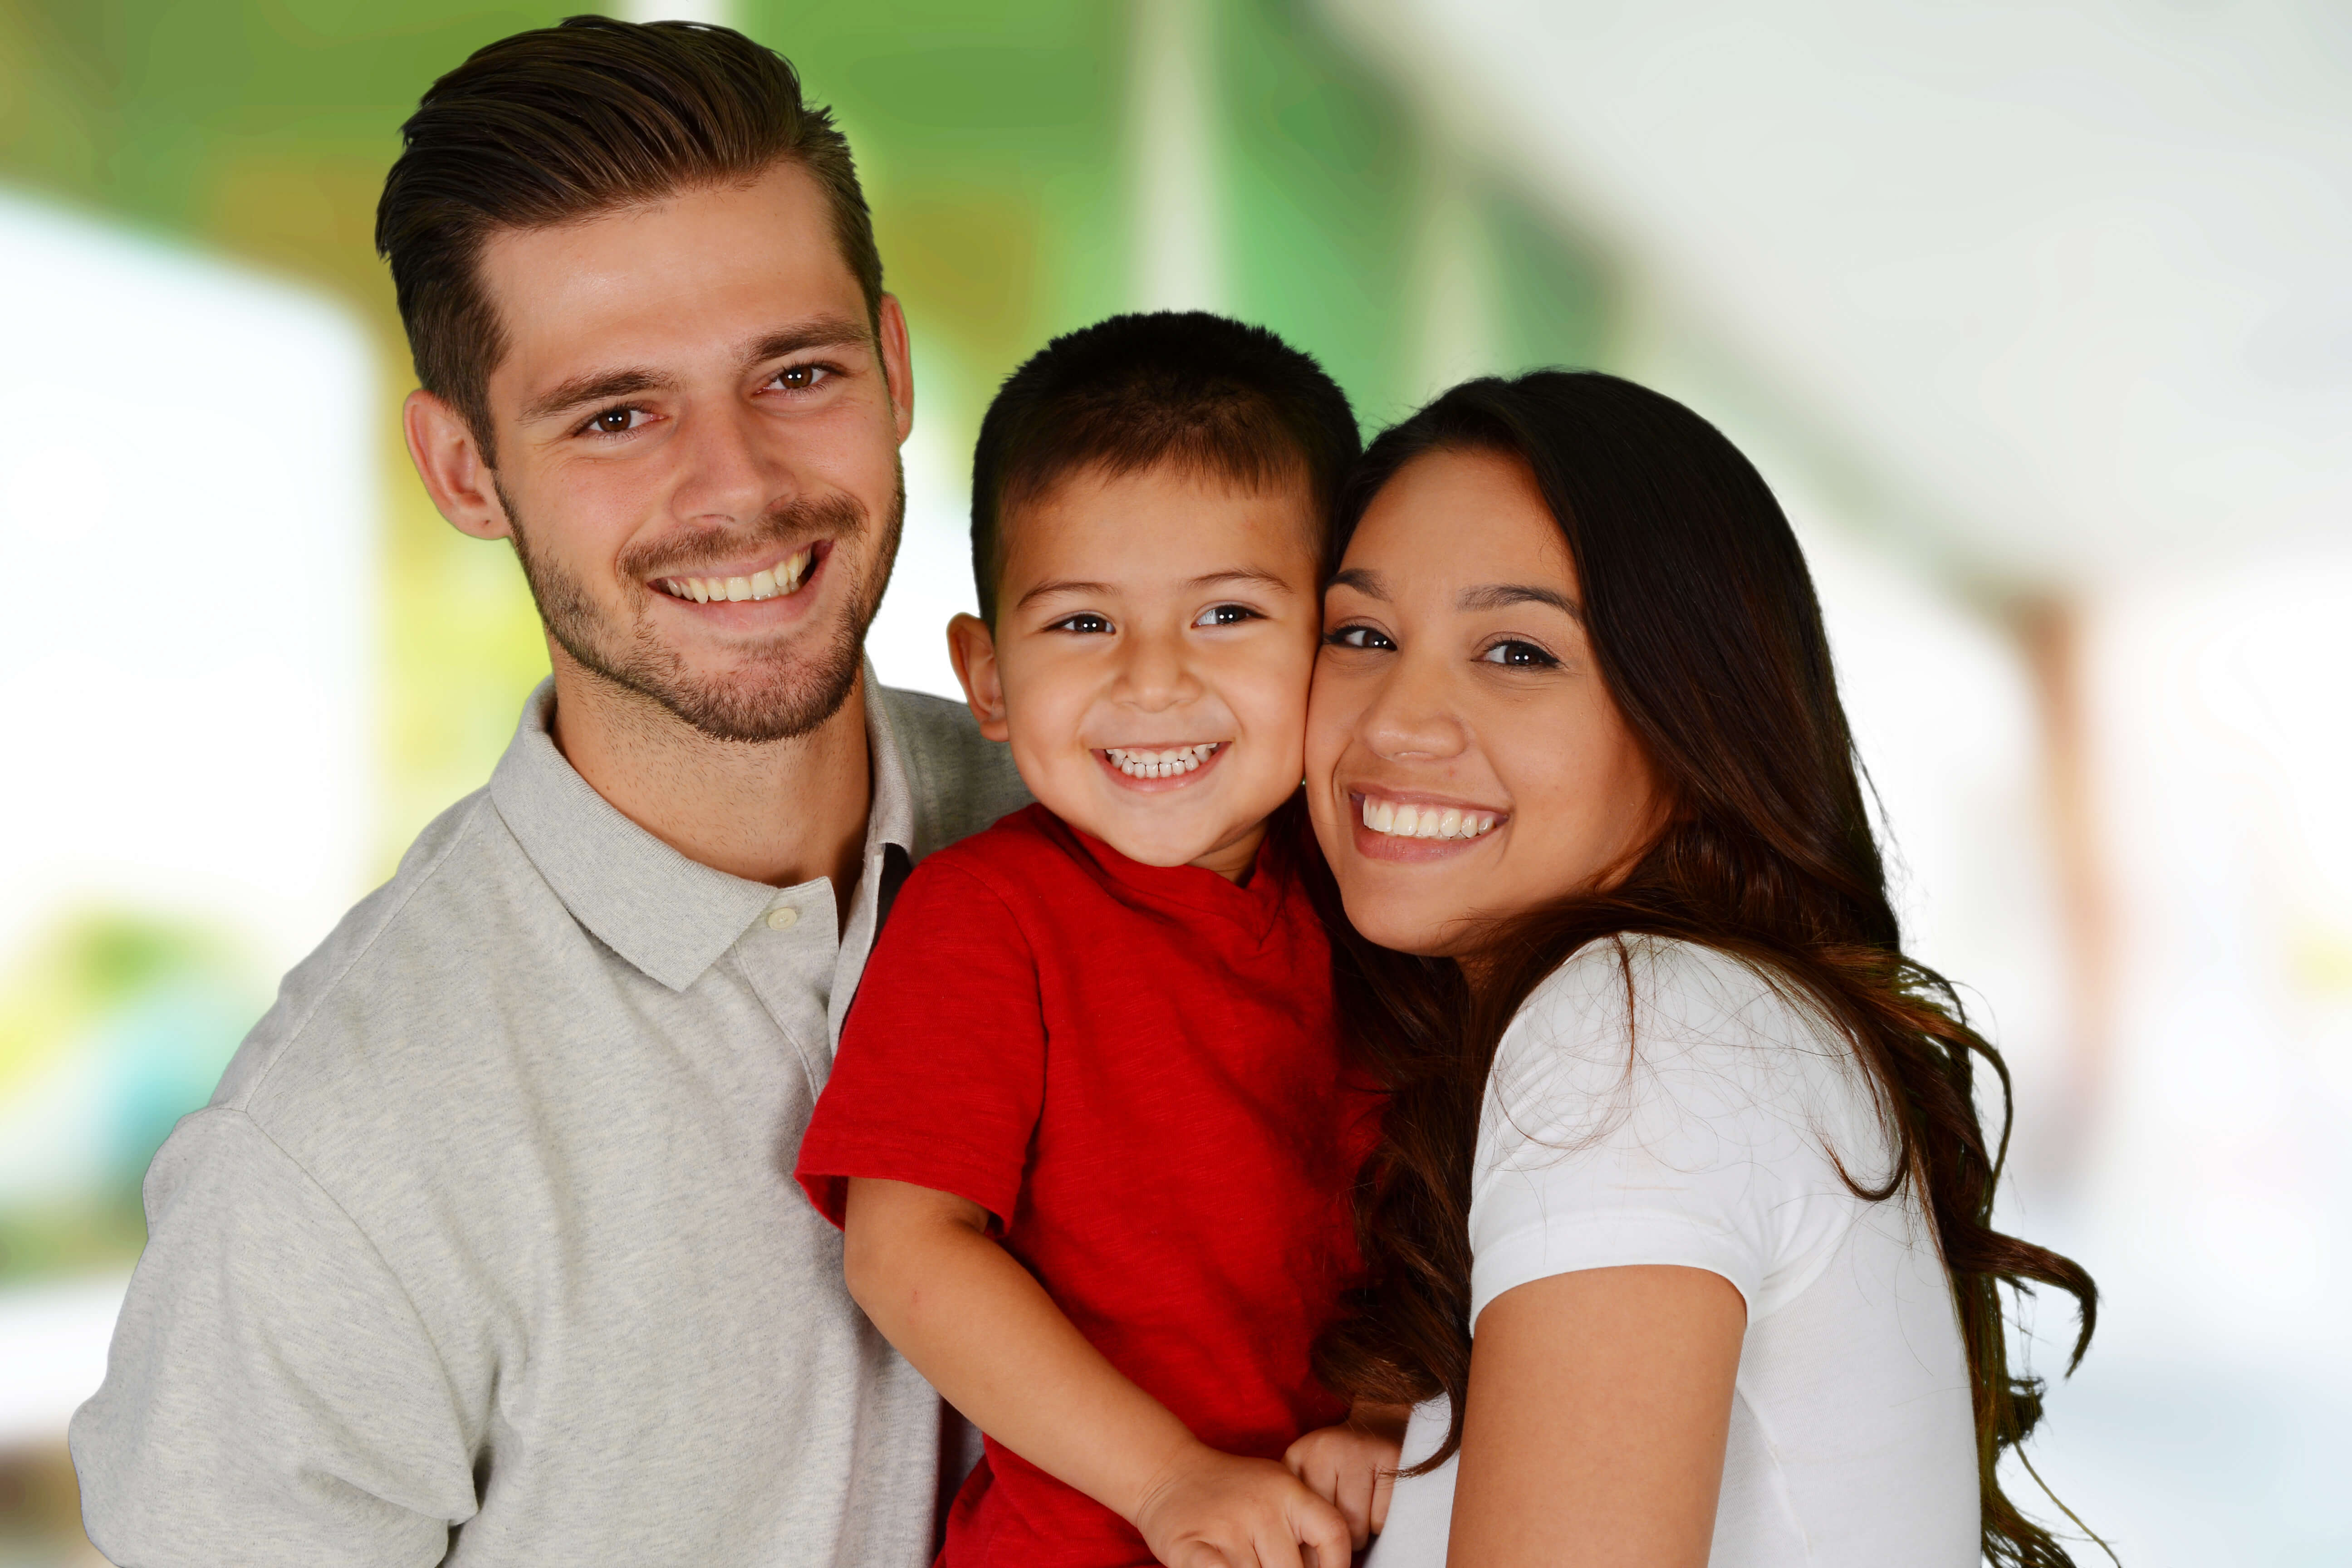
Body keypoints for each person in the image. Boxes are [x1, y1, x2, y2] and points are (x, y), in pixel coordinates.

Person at [69, 18, 1029, 1566]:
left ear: (896, 367)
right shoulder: (330, 1169)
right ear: (463, 472)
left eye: (795, 371)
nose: (737, 484)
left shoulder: (1116, 828)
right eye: (616, 414)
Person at [1299, 372, 2100, 1567]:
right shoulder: (1709, 1020)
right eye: (1361, 634)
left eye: (1517, 651)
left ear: (1694, 713)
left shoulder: (1636, 1022)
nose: (1397, 721)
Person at [794, 311, 1397, 1568]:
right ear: (989, 678)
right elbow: (908, 1254)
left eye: (1227, 615)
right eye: (1082, 625)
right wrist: (1168, 1480)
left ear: (1341, 646)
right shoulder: (989, 917)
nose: (1155, 683)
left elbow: (1441, 1205)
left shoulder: (1385, 911)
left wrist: (1397, 1408)